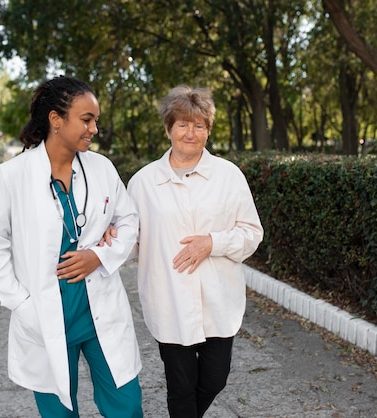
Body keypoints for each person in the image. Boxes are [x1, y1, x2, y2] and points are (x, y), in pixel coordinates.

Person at [0, 76, 143, 417]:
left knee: (126, 405)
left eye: (95, 120)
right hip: (43, 313)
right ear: (56, 119)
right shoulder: (13, 175)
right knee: (58, 413)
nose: (94, 128)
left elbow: (128, 220)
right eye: (86, 119)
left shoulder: (101, 167)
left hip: (99, 312)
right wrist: (20, 303)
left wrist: (98, 255)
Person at [127, 85, 264, 417]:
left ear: (208, 130)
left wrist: (213, 243)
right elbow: (129, 241)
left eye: (199, 125)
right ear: (169, 128)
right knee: (180, 386)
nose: (191, 133)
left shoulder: (229, 177)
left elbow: (251, 233)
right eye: (183, 124)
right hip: (168, 300)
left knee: (215, 379)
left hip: (218, 301)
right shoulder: (143, 182)